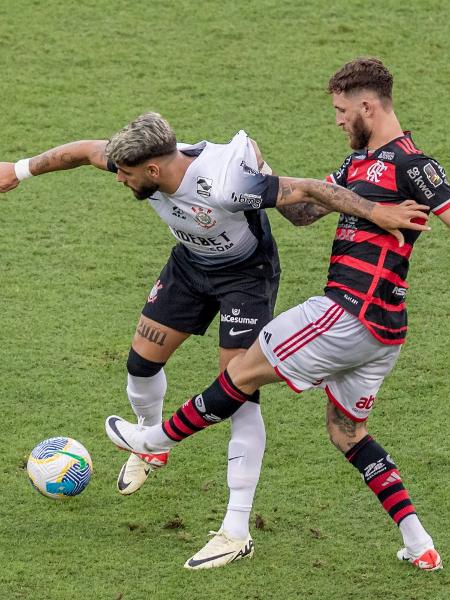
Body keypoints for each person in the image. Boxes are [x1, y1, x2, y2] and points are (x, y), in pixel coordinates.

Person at [0, 110, 426, 568]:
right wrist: (19, 170)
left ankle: (236, 529)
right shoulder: (137, 161)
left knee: (238, 390)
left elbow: (303, 188)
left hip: (246, 276)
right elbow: (83, 152)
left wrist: (376, 211)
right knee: (141, 364)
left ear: (153, 170)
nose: (119, 180)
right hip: (190, 267)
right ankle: (151, 447)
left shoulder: (225, 182)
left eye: (125, 175)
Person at [106, 58, 449, 571]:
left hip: (347, 312)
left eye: (340, 110)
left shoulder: (412, 164)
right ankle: (418, 541)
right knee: (346, 433)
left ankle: (152, 441)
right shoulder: (353, 169)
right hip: (384, 333)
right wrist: (261, 175)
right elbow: (304, 211)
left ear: (367, 106)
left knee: (240, 372)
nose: (336, 120)